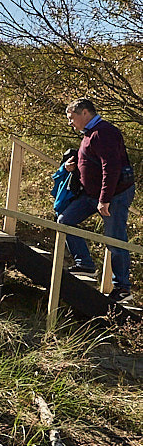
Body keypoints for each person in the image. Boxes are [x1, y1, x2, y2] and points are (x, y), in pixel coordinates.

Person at [58, 98, 135, 299]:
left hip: (113, 195)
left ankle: (123, 287)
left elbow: (111, 167)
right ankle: (84, 263)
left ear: (85, 113)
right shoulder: (91, 134)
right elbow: (95, 160)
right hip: (94, 193)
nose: (70, 122)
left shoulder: (103, 132)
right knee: (65, 220)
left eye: (71, 117)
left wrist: (105, 199)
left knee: (114, 238)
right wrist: (75, 166)